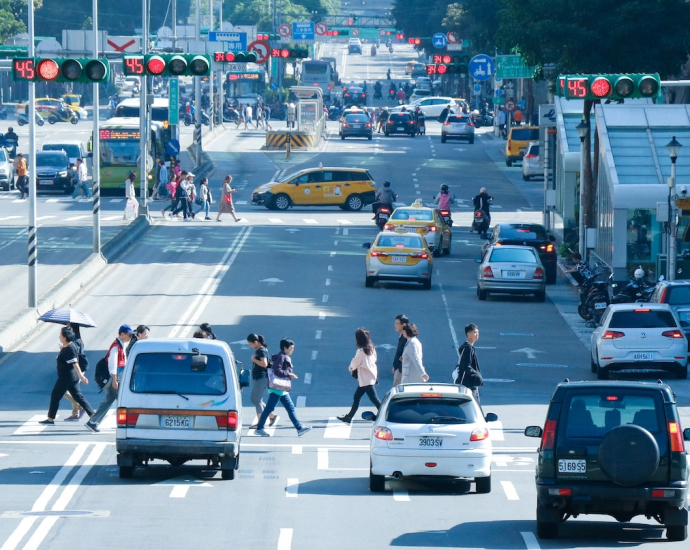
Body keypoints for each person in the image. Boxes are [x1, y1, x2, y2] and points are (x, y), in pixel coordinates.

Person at [254, 338, 312, 437]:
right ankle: (259, 428)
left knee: (290, 408)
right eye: (291, 348)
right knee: (269, 409)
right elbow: (277, 371)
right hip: (277, 388)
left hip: (281, 389)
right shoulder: (282, 356)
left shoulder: (283, 356)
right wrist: (289, 374)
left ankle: (299, 428)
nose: (293, 350)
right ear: (285, 348)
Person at [39, 326, 95, 425]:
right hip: (71, 377)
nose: (59, 336)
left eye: (60, 334)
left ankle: (50, 419)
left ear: (65, 337)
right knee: (79, 397)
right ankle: (92, 415)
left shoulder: (70, 348)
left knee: (55, 396)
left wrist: (81, 376)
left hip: (66, 378)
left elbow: (75, 363)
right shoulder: (68, 347)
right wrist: (61, 350)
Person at [85, 324, 135, 433]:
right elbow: (113, 364)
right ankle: (131, 423)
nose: (130, 337)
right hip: (115, 380)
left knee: (107, 401)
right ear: (122, 334)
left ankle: (92, 422)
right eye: (129, 335)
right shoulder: (116, 346)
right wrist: (114, 380)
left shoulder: (121, 345)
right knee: (125, 401)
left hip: (116, 379)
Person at [337, 328, 381, 424]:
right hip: (370, 376)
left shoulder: (361, 351)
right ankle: (349, 417)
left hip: (365, 378)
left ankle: (386, 415)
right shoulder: (371, 348)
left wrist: (350, 368)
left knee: (374, 399)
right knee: (357, 397)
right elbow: (374, 360)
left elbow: (355, 363)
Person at [246, 334, 278, 428]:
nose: (250, 346)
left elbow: (264, 364)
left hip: (261, 377)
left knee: (256, 400)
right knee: (256, 399)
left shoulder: (261, 351)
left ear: (256, 342)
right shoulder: (261, 350)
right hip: (259, 378)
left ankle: (260, 422)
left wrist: (253, 359)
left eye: (250, 344)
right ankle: (271, 416)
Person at [452, 324, 483, 403]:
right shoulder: (468, 348)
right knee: (474, 404)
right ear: (468, 334)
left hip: (468, 383)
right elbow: (466, 365)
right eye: (475, 333)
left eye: (478, 333)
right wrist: (476, 375)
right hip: (468, 383)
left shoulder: (468, 347)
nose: (477, 335)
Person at [63, 323, 88, 421]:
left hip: (76, 369)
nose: (66, 328)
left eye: (68, 326)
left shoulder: (74, 341)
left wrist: (63, 350)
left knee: (64, 391)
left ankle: (81, 406)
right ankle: (75, 414)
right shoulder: (78, 339)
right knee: (74, 391)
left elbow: (73, 357)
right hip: (79, 369)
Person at [392, 314, 408, 386]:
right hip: (399, 368)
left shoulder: (406, 338)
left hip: (401, 369)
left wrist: (397, 367)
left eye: (397, 324)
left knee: (396, 390)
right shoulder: (402, 336)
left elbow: (402, 353)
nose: (395, 325)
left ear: (403, 325)